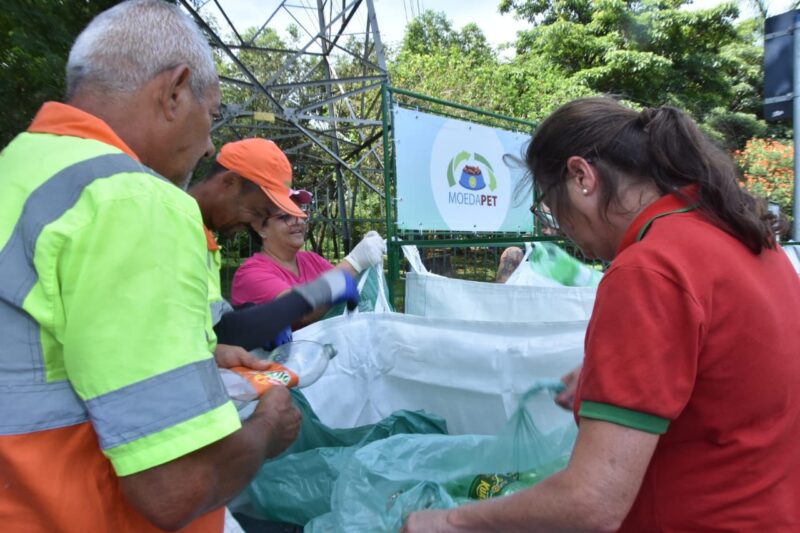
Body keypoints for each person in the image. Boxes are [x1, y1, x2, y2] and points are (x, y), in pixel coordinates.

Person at [402, 97, 800, 532]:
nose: (565, 233)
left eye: (551, 209)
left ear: (581, 177)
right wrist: (621, 374)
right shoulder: (749, 239)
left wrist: (450, 521)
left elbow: (592, 502)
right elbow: (732, 378)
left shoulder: (650, 268)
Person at [0, 2, 302, 531]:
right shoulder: (134, 201)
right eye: (211, 115)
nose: (210, 144)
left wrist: (203, 352)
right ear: (175, 90)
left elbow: (58, 354)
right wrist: (267, 429)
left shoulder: (20, 168)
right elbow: (175, 487)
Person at [187, 138, 360, 355]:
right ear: (230, 182)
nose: (249, 224)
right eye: (257, 212)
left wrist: (253, 319)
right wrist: (318, 291)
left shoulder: (200, 238)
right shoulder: (175, 224)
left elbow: (208, 329)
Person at [230, 166, 385, 328]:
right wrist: (355, 262)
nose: (298, 221)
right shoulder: (251, 274)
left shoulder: (310, 260)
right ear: (260, 228)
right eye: (286, 216)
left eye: (300, 213)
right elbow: (298, 313)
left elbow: (349, 290)